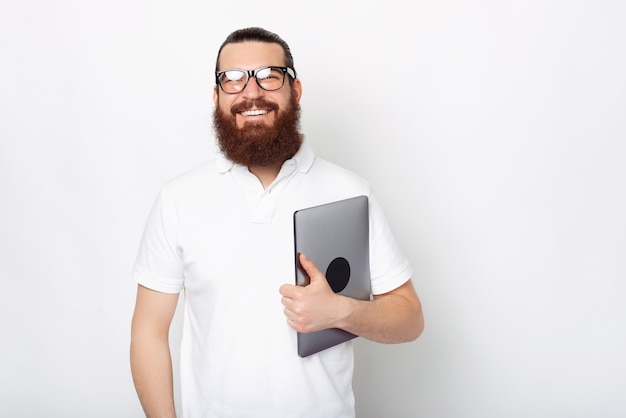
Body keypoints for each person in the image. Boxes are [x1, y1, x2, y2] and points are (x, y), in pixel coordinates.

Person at [130, 27, 424, 418]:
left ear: (295, 90)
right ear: (216, 97)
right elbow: (148, 333)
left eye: (269, 75)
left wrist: (341, 312)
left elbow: (409, 318)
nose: (251, 92)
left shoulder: (350, 192)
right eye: (232, 80)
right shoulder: (178, 199)